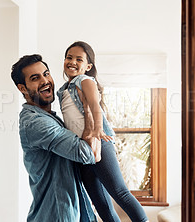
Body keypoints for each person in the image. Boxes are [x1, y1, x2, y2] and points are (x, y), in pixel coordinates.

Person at [57, 41, 149, 222]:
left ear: (88, 66)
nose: (72, 62)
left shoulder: (84, 80)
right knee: (100, 203)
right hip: (81, 149)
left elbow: (95, 105)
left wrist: (98, 129)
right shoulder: (63, 90)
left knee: (120, 192)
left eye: (79, 59)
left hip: (99, 141)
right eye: (69, 57)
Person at [11, 54, 100, 222]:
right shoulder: (35, 123)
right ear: (22, 88)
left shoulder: (51, 117)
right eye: (35, 78)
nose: (45, 81)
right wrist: (87, 109)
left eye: (46, 73)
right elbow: (87, 154)